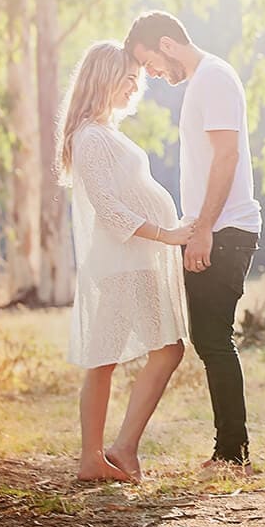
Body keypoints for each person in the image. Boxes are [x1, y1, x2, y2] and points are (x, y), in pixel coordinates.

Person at [125, 12, 263, 473]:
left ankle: (232, 454)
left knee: (214, 340)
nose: (154, 75)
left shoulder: (214, 79)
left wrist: (203, 228)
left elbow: (227, 155)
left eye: (151, 64)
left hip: (223, 230)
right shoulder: (203, 83)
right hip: (212, 228)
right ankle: (230, 451)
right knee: (210, 339)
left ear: (168, 44)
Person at [56, 41, 193, 482]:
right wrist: (167, 234)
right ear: (101, 78)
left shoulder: (104, 132)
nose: (135, 87)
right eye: (127, 78)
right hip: (123, 263)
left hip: (129, 261)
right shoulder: (91, 137)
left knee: (119, 358)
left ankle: (105, 454)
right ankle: (111, 453)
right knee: (153, 352)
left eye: (138, 80)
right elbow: (110, 209)